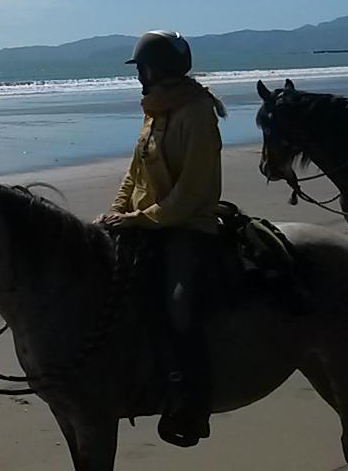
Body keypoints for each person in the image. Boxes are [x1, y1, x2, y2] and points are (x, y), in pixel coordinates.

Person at [94, 30, 226, 448]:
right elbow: (134, 173)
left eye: (143, 69)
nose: (140, 77)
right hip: (142, 222)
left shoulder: (196, 113)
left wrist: (141, 218)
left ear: (157, 69)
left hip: (187, 227)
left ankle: (192, 398)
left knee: (178, 303)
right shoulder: (155, 111)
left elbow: (192, 192)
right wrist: (117, 213)